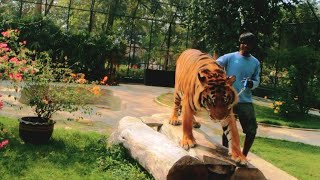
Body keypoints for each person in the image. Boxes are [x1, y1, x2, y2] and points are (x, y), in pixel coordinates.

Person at [216, 32, 261, 157]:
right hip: (229, 101)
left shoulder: (255, 62)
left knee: (251, 131)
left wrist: (252, 83)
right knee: (227, 130)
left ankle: (243, 155)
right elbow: (215, 65)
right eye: (243, 43)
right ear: (240, 43)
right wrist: (222, 78)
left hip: (245, 101)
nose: (245, 46)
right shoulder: (229, 57)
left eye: (248, 44)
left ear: (252, 46)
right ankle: (224, 155)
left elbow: (257, 80)